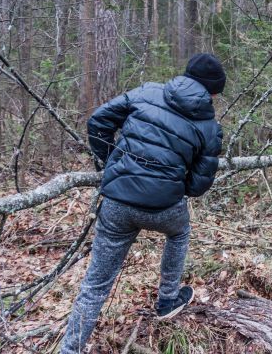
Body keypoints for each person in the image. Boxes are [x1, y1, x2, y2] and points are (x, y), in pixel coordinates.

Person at [61, 53, 225, 353]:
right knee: (179, 233)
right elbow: (199, 186)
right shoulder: (210, 127)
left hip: (117, 202)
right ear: (212, 91)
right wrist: (173, 185)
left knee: (95, 286)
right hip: (164, 208)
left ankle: (70, 349)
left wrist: (108, 164)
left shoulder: (147, 91)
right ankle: (167, 299)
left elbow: (98, 121)